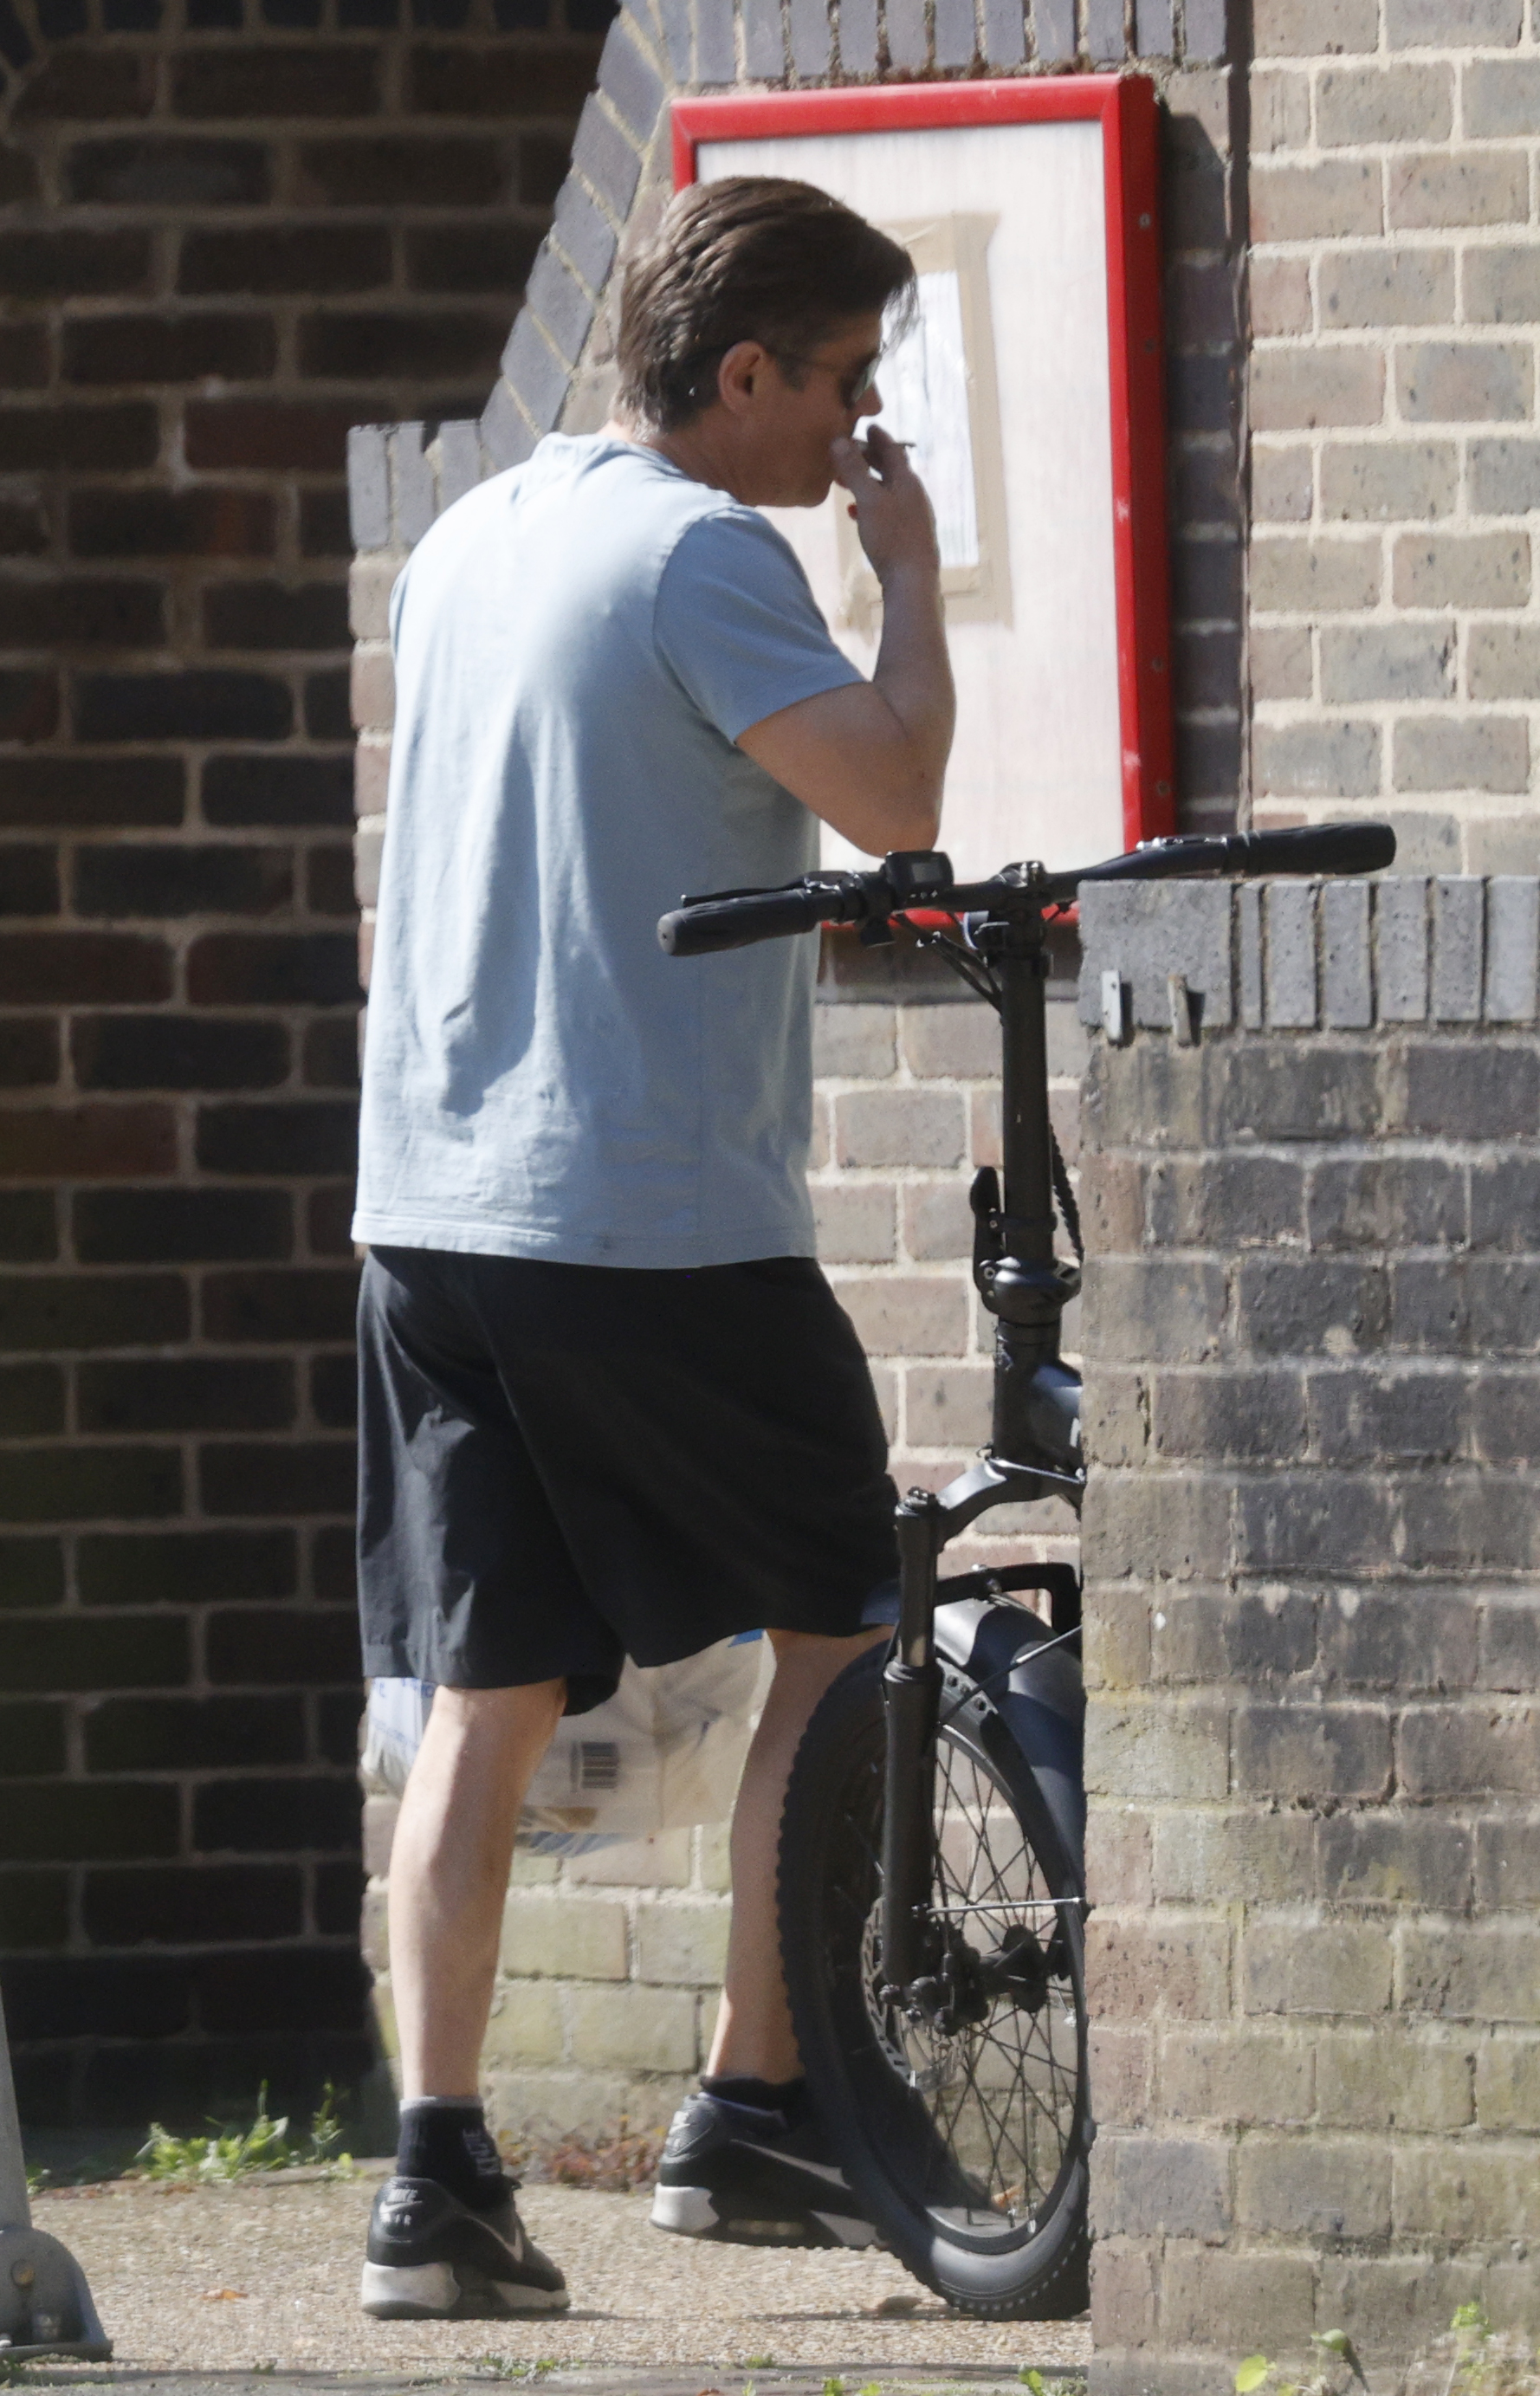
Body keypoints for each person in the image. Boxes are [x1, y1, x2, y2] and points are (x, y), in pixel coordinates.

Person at [349, 176, 954, 2321]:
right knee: (842, 1623)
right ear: (746, 372)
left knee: (479, 1697)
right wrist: (909, 583)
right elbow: (891, 799)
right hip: (651, 1217)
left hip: (429, 1211)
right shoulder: (706, 549)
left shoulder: (473, 541)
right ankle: (760, 2099)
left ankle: (435, 2182)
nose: (857, 426)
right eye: (846, 380)